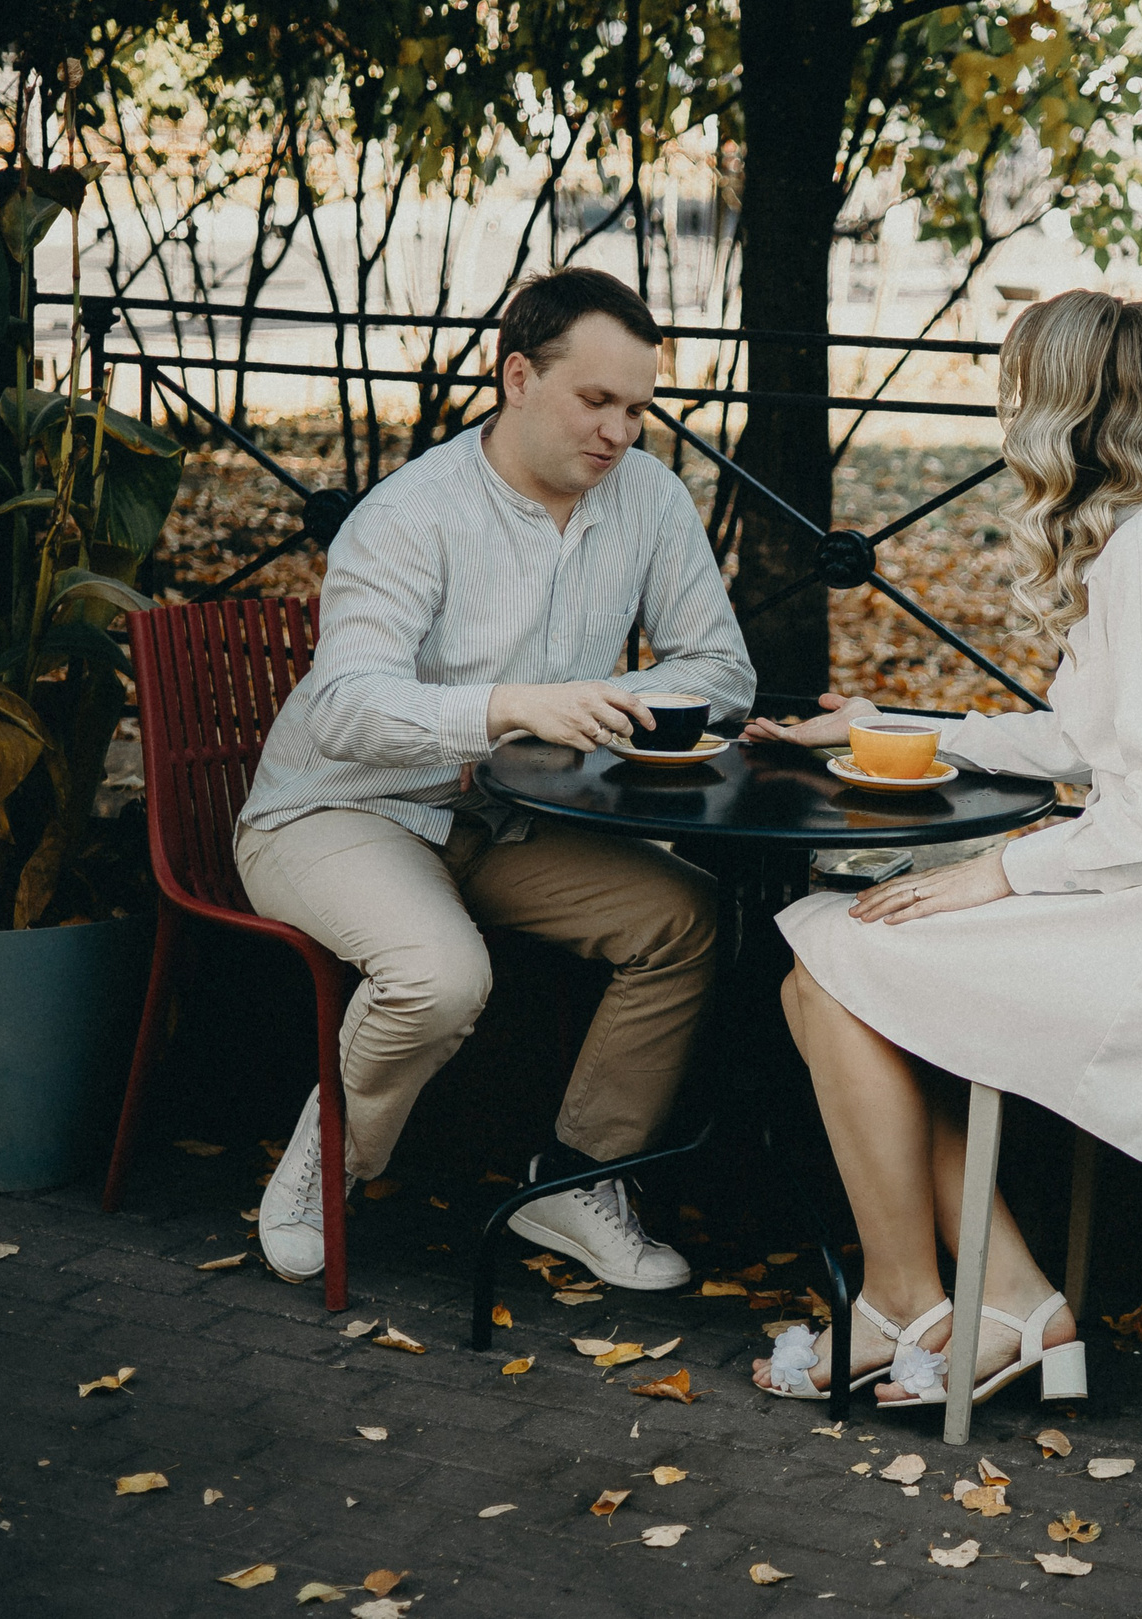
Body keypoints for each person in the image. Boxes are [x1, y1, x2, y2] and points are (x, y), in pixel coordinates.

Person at [742, 291, 1142, 1406]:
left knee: (832, 954)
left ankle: (916, 1301)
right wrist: (889, 729)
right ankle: (1003, 1302)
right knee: (833, 973)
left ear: (1065, 411)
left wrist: (994, 874)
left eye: (1019, 391)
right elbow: (1090, 741)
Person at [233, 267, 753, 1292]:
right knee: (440, 977)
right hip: (340, 807)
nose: (618, 431)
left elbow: (721, 667)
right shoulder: (409, 513)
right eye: (595, 400)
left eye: (639, 408)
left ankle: (575, 1182)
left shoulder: (643, 495)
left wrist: (605, 701)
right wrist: (511, 704)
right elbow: (342, 706)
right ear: (517, 376)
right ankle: (326, 1165)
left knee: (688, 920)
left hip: (507, 818)